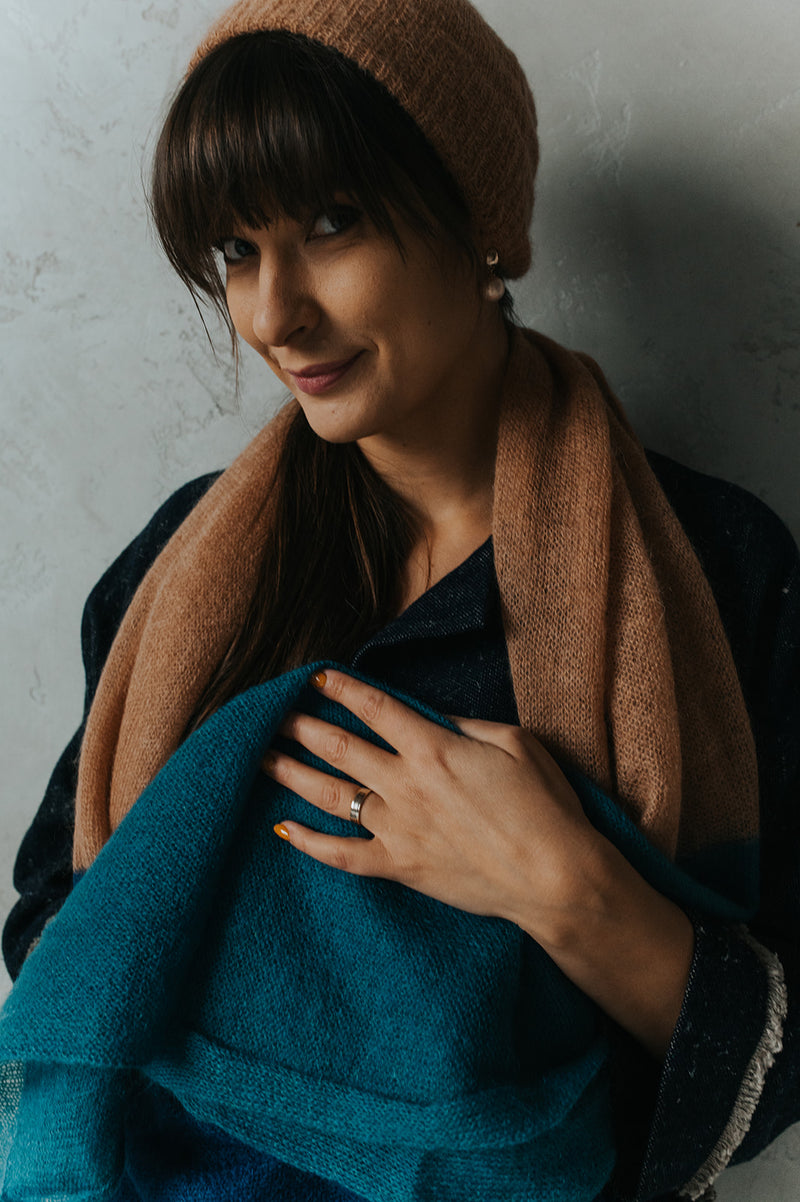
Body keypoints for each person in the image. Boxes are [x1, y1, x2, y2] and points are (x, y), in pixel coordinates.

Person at [1, 0, 798, 1199]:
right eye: (234, 251)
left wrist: (559, 883)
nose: (273, 315)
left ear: (479, 225)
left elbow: (777, 1072)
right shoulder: (177, 568)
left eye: (332, 223)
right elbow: (55, 929)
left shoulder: (717, 567)